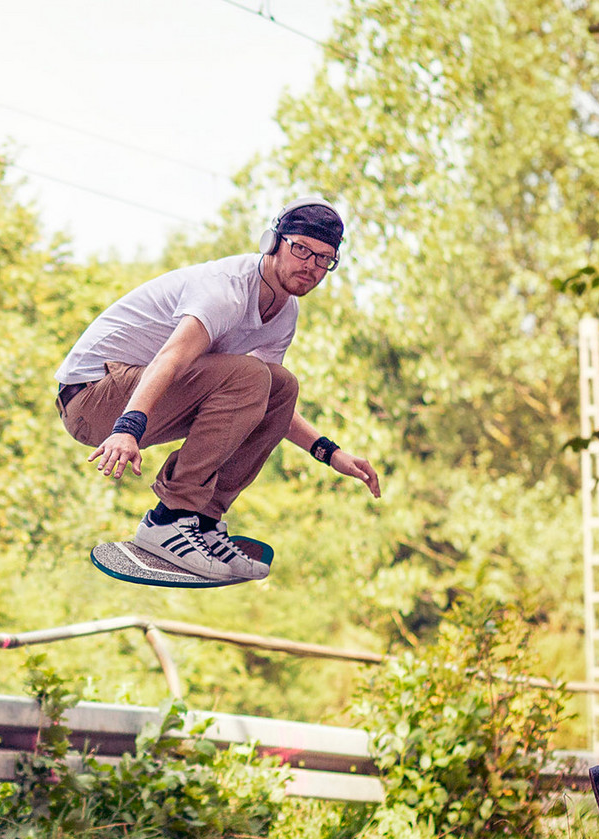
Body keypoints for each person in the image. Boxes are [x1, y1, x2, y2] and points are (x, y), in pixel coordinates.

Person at [54, 196, 382, 581]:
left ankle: (204, 521)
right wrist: (127, 429)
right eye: (301, 249)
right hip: (93, 397)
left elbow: (264, 404)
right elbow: (171, 358)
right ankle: (169, 519)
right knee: (253, 374)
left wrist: (329, 452)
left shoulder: (284, 313)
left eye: (323, 259)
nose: (310, 266)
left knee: (281, 386)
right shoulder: (226, 288)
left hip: (139, 396)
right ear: (273, 243)